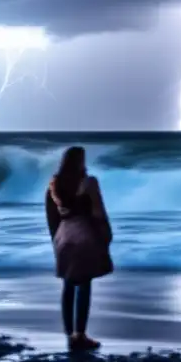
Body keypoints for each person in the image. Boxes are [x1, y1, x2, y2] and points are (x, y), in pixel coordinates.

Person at [45, 145, 113, 351]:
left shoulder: (54, 184)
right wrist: (106, 235)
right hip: (84, 235)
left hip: (63, 235)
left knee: (68, 285)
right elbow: (98, 211)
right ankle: (80, 334)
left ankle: (69, 334)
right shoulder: (89, 182)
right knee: (84, 285)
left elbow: (51, 215)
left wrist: (55, 239)